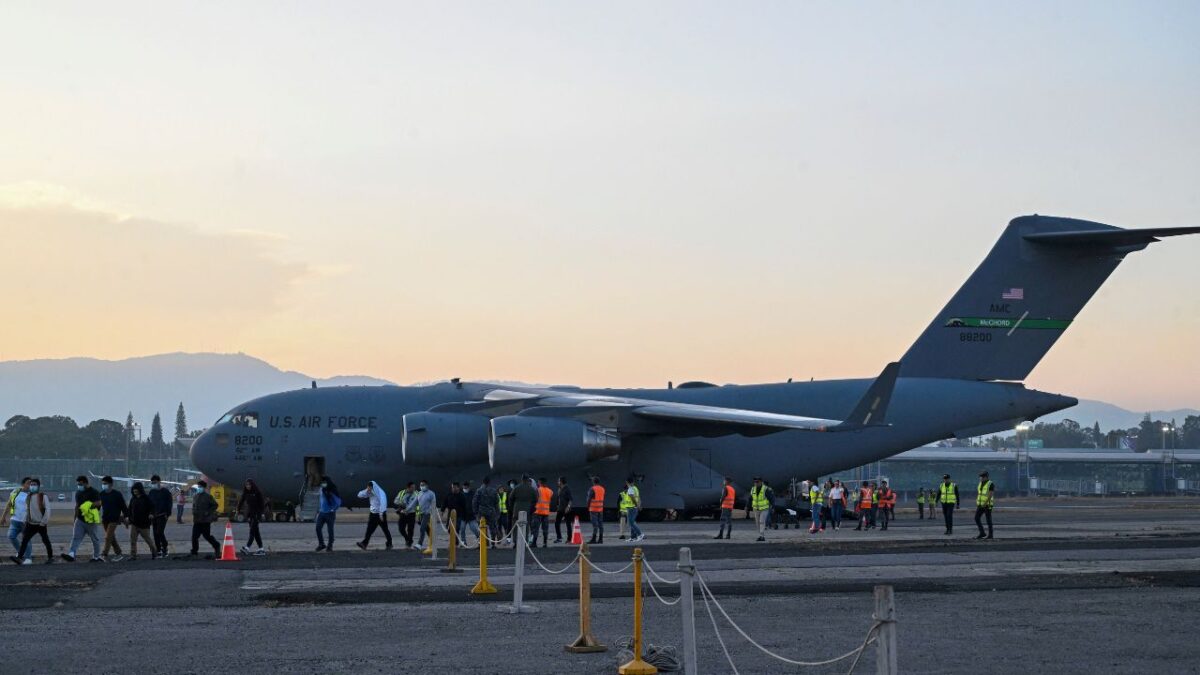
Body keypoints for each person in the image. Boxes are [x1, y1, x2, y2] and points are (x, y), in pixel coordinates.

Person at [61, 476, 102, 562]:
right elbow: (77, 506)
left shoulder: (94, 492)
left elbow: (98, 503)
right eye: (78, 484)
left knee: (94, 539)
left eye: (80, 484)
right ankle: (71, 554)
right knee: (76, 537)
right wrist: (75, 519)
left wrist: (87, 506)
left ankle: (96, 557)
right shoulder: (78, 493)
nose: (79, 486)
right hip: (80, 520)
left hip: (90, 521)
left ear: (86, 483)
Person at [12, 479, 52, 565]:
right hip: (31, 524)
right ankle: (19, 558)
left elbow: (48, 510)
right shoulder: (29, 497)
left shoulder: (43, 496)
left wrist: (43, 522)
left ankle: (50, 557)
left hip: (41, 524)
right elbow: (27, 510)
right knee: (25, 540)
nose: (32, 486)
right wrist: (24, 520)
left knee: (45, 540)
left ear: (38, 486)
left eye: (34, 484)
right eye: (31, 484)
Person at [98, 476, 129, 562]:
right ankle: (118, 553)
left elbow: (123, 506)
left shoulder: (117, 494)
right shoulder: (101, 494)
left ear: (111, 484)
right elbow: (98, 506)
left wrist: (126, 517)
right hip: (105, 519)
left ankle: (104, 554)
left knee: (108, 537)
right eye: (102, 484)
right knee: (112, 538)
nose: (103, 485)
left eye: (105, 484)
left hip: (114, 519)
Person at [355, 480, 392, 550]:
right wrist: (366, 491)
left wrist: (381, 514)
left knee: (385, 529)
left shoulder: (381, 493)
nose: (369, 489)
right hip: (373, 514)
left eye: (370, 488)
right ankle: (364, 544)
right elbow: (359, 495)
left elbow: (383, 503)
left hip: (381, 514)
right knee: (369, 529)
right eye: (368, 487)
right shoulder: (369, 491)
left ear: (373, 487)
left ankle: (389, 543)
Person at [3, 477, 33, 563]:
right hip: (15, 519)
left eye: (31, 484)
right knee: (11, 536)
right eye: (28, 483)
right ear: (23, 484)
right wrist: (3, 516)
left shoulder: (32, 495)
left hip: (26, 521)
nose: (30, 485)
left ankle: (28, 558)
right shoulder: (15, 492)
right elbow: (9, 504)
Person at [188, 481, 221, 558]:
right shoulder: (195, 496)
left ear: (204, 488)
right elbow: (194, 506)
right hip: (197, 520)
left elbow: (215, 505)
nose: (199, 488)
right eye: (198, 486)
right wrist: (193, 511)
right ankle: (194, 551)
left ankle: (216, 545)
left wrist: (208, 512)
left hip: (205, 520)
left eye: (200, 487)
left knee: (206, 536)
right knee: (194, 536)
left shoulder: (208, 497)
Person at [236, 479, 268, 556]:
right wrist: (238, 510)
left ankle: (247, 548)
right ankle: (261, 549)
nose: (248, 486)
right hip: (250, 515)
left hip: (257, 514)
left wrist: (262, 514)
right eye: (247, 485)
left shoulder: (257, 493)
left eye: (249, 485)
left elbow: (262, 504)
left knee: (252, 531)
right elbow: (241, 501)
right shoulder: (246, 493)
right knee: (256, 532)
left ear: (252, 485)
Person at [127, 482, 156, 560]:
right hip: (134, 523)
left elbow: (152, 507)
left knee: (148, 539)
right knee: (133, 540)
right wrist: (128, 518)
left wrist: (151, 514)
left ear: (140, 489)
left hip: (144, 524)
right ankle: (133, 555)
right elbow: (129, 509)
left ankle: (154, 552)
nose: (134, 491)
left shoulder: (146, 498)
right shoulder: (133, 499)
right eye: (133, 490)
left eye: (136, 489)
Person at [508, 475, 536, 549]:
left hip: (516, 509)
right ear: (527, 480)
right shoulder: (531, 489)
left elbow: (510, 498)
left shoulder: (516, 488)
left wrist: (512, 508)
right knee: (525, 526)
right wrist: (531, 509)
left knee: (515, 526)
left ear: (522, 479)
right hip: (527, 510)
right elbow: (535, 499)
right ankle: (524, 542)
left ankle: (515, 542)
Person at [147, 476, 173, 558]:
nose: (153, 484)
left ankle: (165, 547)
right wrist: (150, 513)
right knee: (155, 533)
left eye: (154, 482)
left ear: (159, 482)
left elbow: (169, 503)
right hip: (154, 516)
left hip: (162, 515)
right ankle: (158, 549)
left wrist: (167, 514)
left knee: (159, 532)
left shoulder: (165, 492)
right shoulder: (151, 492)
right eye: (152, 483)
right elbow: (149, 504)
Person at [315, 476, 341, 552]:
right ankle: (321, 544)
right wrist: (319, 509)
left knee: (330, 530)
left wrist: (333, 509)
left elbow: (338, 501)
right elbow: (321, 500)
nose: (322, 484)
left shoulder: (332, 490)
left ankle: (330, 545)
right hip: (322, 512)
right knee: (318, 528)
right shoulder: (321, 489)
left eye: (324, 482)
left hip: (330, 513)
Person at [473, 477, 500, 545]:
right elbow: (497, 502)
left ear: (483, 482)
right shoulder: (493, 491)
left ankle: (484, 542)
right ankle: (493, 543)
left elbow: (474, 502)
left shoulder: (479, 490)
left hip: (481, 511)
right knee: (492, 527)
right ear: (489, 482)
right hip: (491, 511)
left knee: (482, 527)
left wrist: (475, 512)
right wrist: (497, 512)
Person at [393, 481, 417, 549]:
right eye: (412, 487)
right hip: (403, 513)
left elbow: (419, 503)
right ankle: (407, 539)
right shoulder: (402, 493)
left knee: (410, 529)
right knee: (401, 529)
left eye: (414, 487)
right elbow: (395, 501)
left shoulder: (416, 494)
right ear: (408, 488)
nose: (414, 489)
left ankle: (409, 543)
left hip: (411, 514)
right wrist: (401, 504)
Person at [530, 477, 552, 548]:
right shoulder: (550, 491)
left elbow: (534, 499)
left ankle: (534, 543)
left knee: (535, 528)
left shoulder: (538, 490)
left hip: (537, 512)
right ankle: (545, 543)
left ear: (540, 482)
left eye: (538, 482)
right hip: (546, 513)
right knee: (545, 529)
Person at [747, 477, 770, 542]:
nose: (756, 483)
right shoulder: (753, 489)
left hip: (764, 508)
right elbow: (750, 498)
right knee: (757, 523)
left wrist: (773, 506)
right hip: (756, 509)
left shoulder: (765, 489)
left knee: (761, 521)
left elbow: (771, 498)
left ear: (761, 482)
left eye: (757, 482)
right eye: (755, 482)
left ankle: (762, 536)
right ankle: (760, 535)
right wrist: (747, 506)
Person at [415, 480, 436, 550]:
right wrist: (417, 514)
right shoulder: (419, 493)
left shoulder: (431, 494)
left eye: (423, 485)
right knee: (427, 529)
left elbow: (433, 504)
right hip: (421, 514)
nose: (422, 486)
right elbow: (417, 505)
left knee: (422, 528)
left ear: (427, 485)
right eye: (421, 485)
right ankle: (433, 542)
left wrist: (429, 511)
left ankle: (419, 544)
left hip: (427, 514)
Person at [458, 480, 480, 548]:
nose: (465, 487)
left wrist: (476, 513)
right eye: (464, 486)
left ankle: (480, 541)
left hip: (471, 515)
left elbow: (476, 503)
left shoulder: (473, 494)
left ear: (469, 487)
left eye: (466, 486)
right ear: (462, 486)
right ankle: (463, 542)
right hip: (463, 515)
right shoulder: (460, 494)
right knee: (462, 529)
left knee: (474, 529)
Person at [975, 471, 995, 539]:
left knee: (988, 520)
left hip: (987, 505)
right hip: (980, 504)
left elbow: (990, 495)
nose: (980, 478)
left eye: (982, 477)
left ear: (986, 477)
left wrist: (985, 503)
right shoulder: (980, 483)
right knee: (976, 518)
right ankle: (982, 533)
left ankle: (990, 535)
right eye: (980, 477)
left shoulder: (990, 484)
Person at [622, 476, 643, 542]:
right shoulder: (635, 488)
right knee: (632, 522)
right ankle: (633, 537)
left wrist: (636, 505)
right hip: (634, 508)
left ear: (626, 482)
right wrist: (639, 505)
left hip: (631, 508)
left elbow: (632, 498)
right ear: (633, 482)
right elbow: (638, 498)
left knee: (631, 523)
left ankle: (640, 534)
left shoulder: (630, 489)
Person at [553, 477, 573, 543]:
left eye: (558, 481)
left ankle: (569, 539)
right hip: (560, 509)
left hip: (566, 509)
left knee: (568, 524)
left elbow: (570, 499)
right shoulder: (560, 489)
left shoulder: (567, 489)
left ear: (561, 482)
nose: (557, 482)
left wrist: (568, 507)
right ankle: (559, 538)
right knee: (556, 523)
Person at [586, 476, 606, 544]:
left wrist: (588, 506)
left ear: (593, 482)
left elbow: (589, 499)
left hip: (593, 509)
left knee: (595, 525)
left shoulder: (592, 489)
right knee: (600, 524)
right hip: (600, 509)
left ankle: (594, 539)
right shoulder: (602, 489)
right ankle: (600, 539)